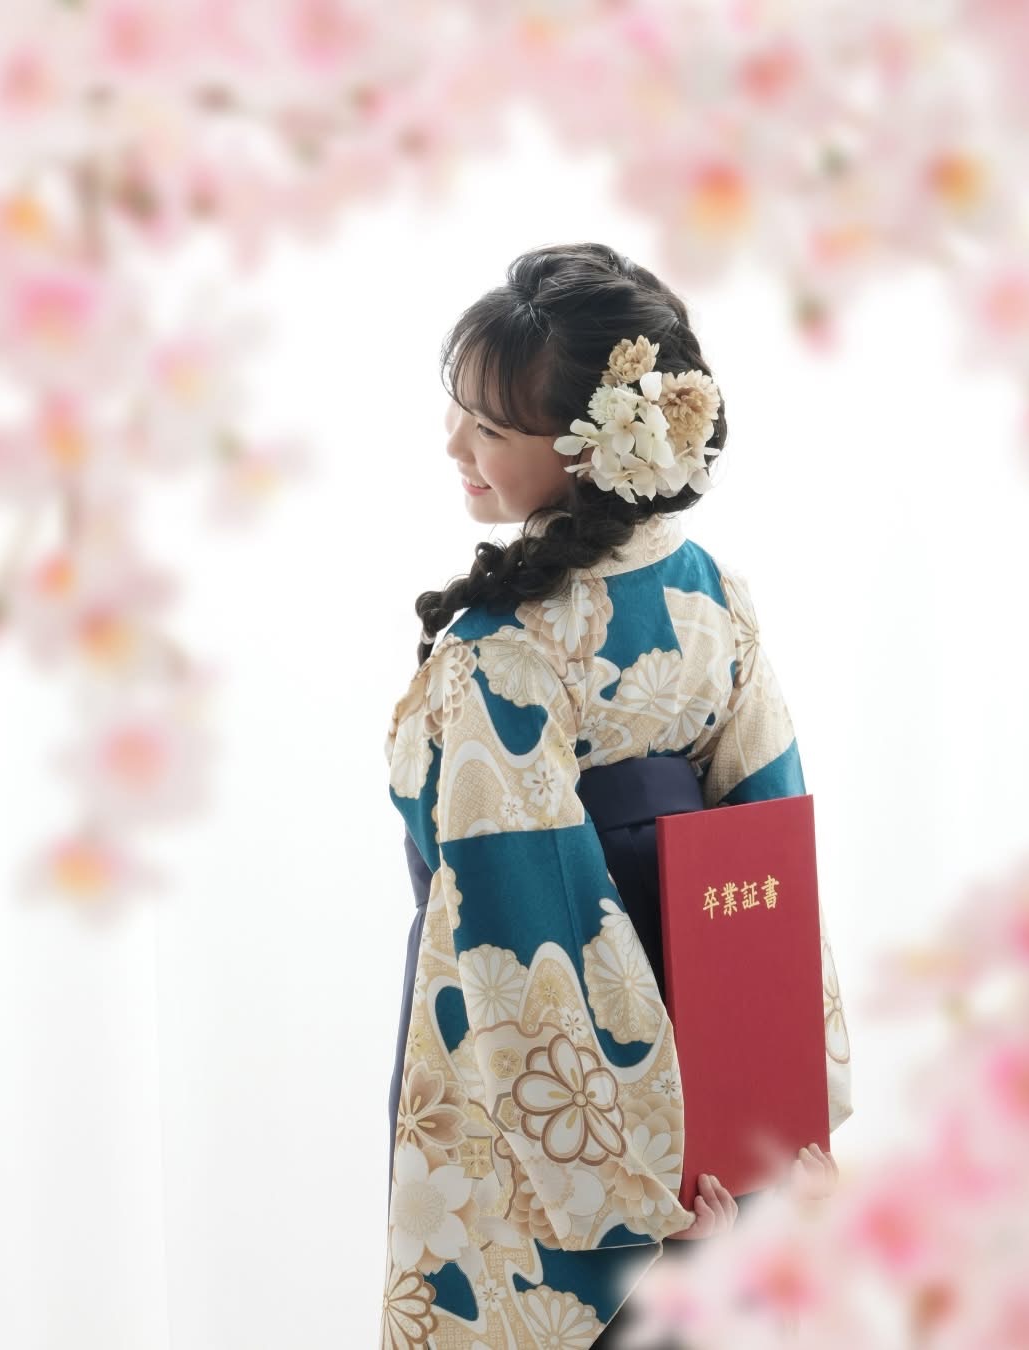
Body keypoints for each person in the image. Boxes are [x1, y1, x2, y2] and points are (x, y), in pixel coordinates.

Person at [380, 242, 853, 1349]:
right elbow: (770, 849)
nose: (454, 445)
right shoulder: (708, 593)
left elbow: (524, 915)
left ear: (588, 451)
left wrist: (626, 1175)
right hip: (722, 1042)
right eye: (459, 413)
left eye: (490, 429)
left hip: (551, 1070)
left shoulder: (503, 651)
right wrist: (781, 1114)